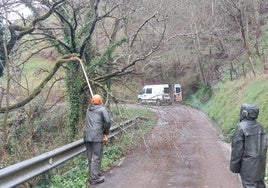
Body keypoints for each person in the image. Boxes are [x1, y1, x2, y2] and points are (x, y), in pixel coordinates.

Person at [230, 103, 268, 188]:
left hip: (248, 167)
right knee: (260, 185)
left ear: (244, 113)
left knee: (249, 185)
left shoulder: (241, 127)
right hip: (260, 165)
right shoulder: (261, 127)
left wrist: (234, 167)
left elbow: (237, 150)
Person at [84, 94, 111, 185]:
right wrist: (105, 133)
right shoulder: (102, 109)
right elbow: (107, 121)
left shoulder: (88, 110)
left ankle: (94, 173)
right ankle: (94, 179)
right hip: (96, 136)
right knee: (96, 156)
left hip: (87, 136)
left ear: (92, 101)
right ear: (100, 101)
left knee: (91, 156)